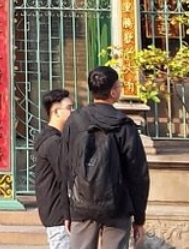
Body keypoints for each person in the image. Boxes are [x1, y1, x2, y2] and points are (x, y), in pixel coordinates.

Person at [60, 66, 150, 249]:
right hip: (118, 205)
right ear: (113, 91)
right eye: (119, 85)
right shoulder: (125, 125)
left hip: (81, 202)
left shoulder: (75, 121)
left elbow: (65, 167)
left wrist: (67, 211)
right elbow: (137, 174)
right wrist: (139, 217)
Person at [35, 88, 74, 249]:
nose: (73, 112)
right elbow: (65, 179)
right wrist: (67, 214)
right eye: (70, 108)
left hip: (54, 211)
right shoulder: (53, 142)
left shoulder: (52, 138)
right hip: (58, 213)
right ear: (56, 111)